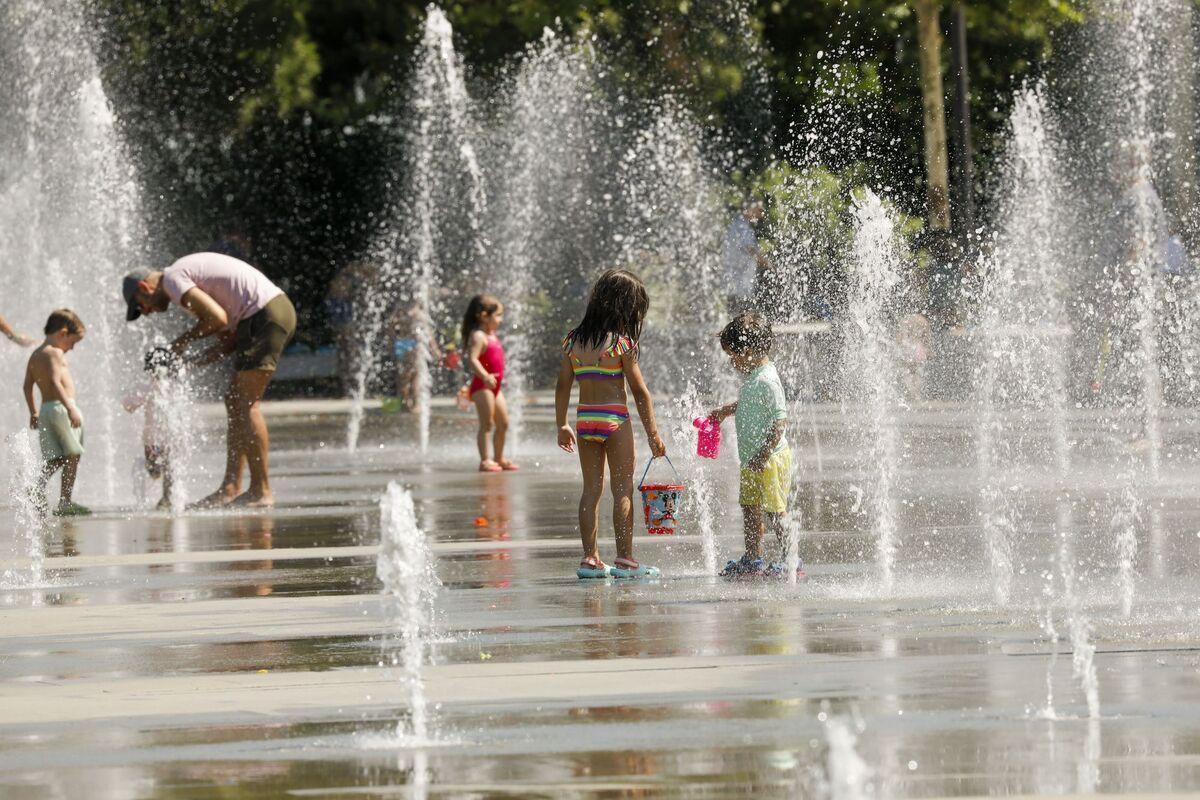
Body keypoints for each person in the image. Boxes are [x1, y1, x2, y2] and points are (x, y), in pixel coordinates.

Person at [122, 252, 296, 509]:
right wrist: (186, 364)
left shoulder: (173, 279)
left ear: (144, 287)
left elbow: (217, 320)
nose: (146, 313)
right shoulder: (186, 279)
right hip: (266, 313)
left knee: (247, 403)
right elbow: (226, 341)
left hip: (265, 315)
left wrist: (178, 345)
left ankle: (261, 491)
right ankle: (230, 487)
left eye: (140, 306)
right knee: (235, 399)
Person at [556, 269, 667, 579]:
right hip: (615, 420)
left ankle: (590, 559)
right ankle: (626, 560)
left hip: (585, 420)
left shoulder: (572, 341)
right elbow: (641, 394)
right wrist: (654, 435)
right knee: (622, 491)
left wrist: (561, 424)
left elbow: (562, 385)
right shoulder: (621, 345)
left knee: (591, 491)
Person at [707, 312, 799, 578]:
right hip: (752, 459)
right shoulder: (754, 377)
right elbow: (750, 405)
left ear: (747, 351)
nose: (731, 362)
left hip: (768, 460)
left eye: (732, 355)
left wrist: (764, 453)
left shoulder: (767, 380)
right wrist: (727, 410)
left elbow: (780, 421)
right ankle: (753, 558)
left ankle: (791, 558)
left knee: (775, 510)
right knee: (750, 508)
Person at [22, 309, 90, 517]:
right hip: (62, 408)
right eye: (73, 342)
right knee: (73, 454)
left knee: (56, 457)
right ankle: (65, 503)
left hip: (45, 410)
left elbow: (26, 386)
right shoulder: (54, 352)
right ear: (62, 333)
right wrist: (70, 409)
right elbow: (54, 381)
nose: (72, 348)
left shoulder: (35, 355)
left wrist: (33, 412)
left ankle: (36, 487)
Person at [122, 347, 182, 510]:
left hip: (163, 437)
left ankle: (166, 498)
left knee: (167, 465)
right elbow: (130, 405)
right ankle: (161, 487)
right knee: (160, 467)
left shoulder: (169, 387)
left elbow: (128, 406)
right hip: (156, 438)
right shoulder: (151, 387)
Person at [463, 294, 517, 472]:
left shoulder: (491, 334)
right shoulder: (478, 336)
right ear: (484, 316)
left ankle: (498, 457)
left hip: (495, 387)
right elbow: (472, 359)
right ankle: (485, 460)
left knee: (504, 424)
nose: (501, 320)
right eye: (498, 315)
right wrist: (485, 376)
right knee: (487, 424)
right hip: (482, 386)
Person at [722, 199, 768, 314]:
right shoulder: (741, 226)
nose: (761, 214)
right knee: (740, 314)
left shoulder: (741, 224)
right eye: (759, 210)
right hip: (739, 283)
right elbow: (750, 248)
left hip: (737, 283)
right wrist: (766, 263)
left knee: (738, 315)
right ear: (749, 209)